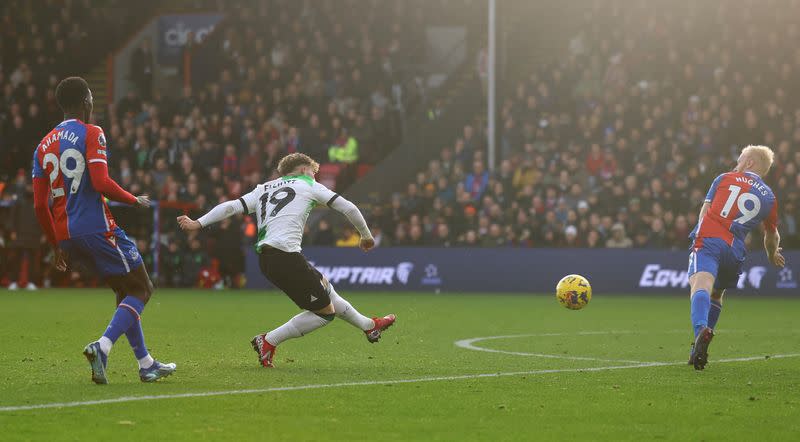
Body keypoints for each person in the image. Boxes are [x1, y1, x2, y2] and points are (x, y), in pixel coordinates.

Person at [177, 153, 396, 368]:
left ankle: (369, 326)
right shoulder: (307, 184)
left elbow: (231, 206)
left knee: (326, 290)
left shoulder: (263, 188)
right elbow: (348, 207)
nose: (314, 177)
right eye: (312, 172)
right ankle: (269, 340)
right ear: (302, 169)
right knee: (325, 313)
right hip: (285, 257)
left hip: (268, 258)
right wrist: (366, 235)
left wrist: (198, 222)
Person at [31, 77, 175, 384]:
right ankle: (103, 346)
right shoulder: (92, 133)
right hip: (96, 228)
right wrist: (133, 199)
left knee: (125, 292)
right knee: (142, 289)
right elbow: (100, 182)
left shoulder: (41, 146)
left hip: (67, 237)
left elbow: (39, 206)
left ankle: (146, 363)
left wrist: (56, 244)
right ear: (86, 101)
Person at [687, 145, 785, 370]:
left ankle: (700, 330)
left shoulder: (724, 178)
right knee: (717, 293)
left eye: (740, 159)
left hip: (710, 238)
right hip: (735, 250)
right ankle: (698, 349)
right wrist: (771, 254)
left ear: (750, 162)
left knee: (700, 284)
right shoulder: (769, 197)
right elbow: (772, 235)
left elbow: (705, 211)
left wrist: (698, 236)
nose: (737, 163)